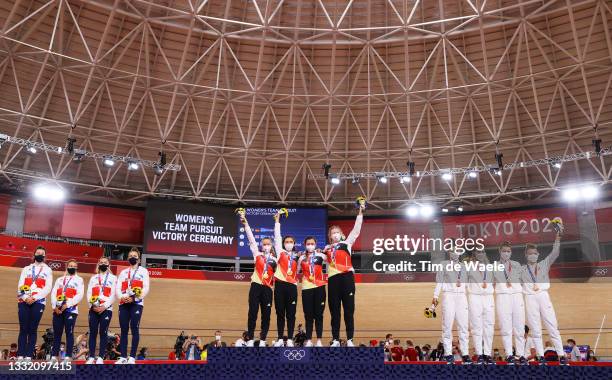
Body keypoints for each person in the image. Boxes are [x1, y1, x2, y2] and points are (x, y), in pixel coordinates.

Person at [520, 228, 567, 365]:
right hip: (529, 298)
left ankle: (561, 355)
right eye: (530, 254)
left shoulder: (544, 264)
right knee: (535, 329)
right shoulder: (521, 269)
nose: (532, 255)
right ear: (526, 255)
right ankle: (540, 356)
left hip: (543, 295)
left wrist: (557, 238)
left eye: (534, 253)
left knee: (552, 325)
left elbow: (555, 253)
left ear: (538, 254)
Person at [325, 204, 364, 347]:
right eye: (332, 233)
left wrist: (360, 212)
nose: (335, 234)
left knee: (349, 310)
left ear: (341, 234)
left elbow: (356, 230)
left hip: (347, 278)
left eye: (337, 232)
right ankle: (335, 339)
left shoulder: (347, 243)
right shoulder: (327, 249)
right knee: (335, 311)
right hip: (333, 280)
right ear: (330, 237)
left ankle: (349, 339)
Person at [241, 212, 278, 347]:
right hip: (256, 285)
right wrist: (245, 223)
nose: (266, 246)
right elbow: (251, 239)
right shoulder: (257, 254)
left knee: (266, 315)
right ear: (262, 246)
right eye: (264, 244)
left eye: (268, 244)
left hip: (268, 289)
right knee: (252, 313)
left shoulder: (276, 260)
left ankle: (262, 340)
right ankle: (250, 339)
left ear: (271, 245)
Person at [432, 248, 470, 364]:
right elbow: (439, 281)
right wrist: (435, 296)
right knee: (447, 326)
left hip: (462, 297)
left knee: (463, 326)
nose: (456, 254)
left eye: (458, 252)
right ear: (450, 253)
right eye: (453, 251)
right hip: (448, 295)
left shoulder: (464, 266)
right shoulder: (443, 264)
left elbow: (468, 282)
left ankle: (465, 353)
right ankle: (448, 354)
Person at [493, 241, 527, 364]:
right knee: (505, 327)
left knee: (519, 327)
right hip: (502, 297)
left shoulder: (516, 264)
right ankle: (509, 354)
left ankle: (521, 354)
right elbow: (490, 283)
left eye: (508, 251)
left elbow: (523, 280)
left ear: (511, 252)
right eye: (504, 251)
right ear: (499, 251)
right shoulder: (494, 266)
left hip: (517, 296)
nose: (506, 253)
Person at [16, 246, 53, 360]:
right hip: (24, 301)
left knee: (32, 328)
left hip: (39, 302)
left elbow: (48, 287)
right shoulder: (26, 268)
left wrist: (35, 297)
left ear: (44, 256)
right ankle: (20, 355)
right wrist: (26, 297)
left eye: (42, 253)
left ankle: (28, 355)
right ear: (34, 254)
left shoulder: (47, 270)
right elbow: (20, 285)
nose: (40, 254)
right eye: (38, 253)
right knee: (23, 328)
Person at [115, 248, 150, 364]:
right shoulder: (123, 272)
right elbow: (118, 288)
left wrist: (134, 298)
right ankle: (123, 357)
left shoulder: (144, 271)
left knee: (134, 328)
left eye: (134, 255)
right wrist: (122, 297)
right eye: (130, 255)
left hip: (136, 303)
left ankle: (132, 357)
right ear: (128, 258)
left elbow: (146, 288)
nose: (132, 257)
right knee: (124, 330)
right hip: (124, 304)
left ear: (139, 259)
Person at [272, 211, 300, 347]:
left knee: (291, 314)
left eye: (291, 242)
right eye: (286, 242)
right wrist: (277, 221)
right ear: (284, 244)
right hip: (279, 286)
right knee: (280, 313)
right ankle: (279, 338)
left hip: (292, 287)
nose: (288, 243)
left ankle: (289, 339)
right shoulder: (280, 252)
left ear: (294, 244)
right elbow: (277, 237)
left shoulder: (299, 256)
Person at [50, 259, 84, 362]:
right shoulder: (59, 280)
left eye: (74, 266)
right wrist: (54, 306)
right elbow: (53, 293)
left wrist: (67, 305)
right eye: (70, 265)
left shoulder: (79, 280)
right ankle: (54, 356)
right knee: (57, 333)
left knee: (69, 333)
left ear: (76, 267)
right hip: (58, 310)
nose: (72, 267)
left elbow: (80, 295)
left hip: (71, 310)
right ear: (67, 266)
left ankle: (68, 356)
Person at [86, 257, 117, 364]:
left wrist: (104, 306)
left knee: (103, 333)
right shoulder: (93, 278)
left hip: (106, 309)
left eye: (105, 263)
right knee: (93, 333)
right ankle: (91, 357)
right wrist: (93, 306)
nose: (103, 264)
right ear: (98, 264)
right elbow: (89, 293)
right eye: (101, 262)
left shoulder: (113, 278)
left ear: (109, 265)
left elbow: (114, 295)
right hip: (93, 309)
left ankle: (100, 357)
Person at [466, 249, 495, 364]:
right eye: (478, 252)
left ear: (485, 254)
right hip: (475, 297)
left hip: (488, 297)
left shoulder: (490, 268)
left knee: (489, 326)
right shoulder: (469, 267)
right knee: (476, 326)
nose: (481, 254)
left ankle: (487, 354)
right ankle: (479, 354)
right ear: (474, 254)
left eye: (482, 252)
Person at [297, 236, 327, 347]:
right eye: (308, 244)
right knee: (308, 315)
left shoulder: (320, 255)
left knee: (319, 315)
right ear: (305, 245)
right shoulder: (301, 258)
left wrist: (323, 250)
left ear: (315, 244)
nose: (310, 245)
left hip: (319, 287)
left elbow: (332, 258)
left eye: (312, 243)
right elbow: (296, 270)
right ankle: (309, 339)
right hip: (306, 288)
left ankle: (319, 340)